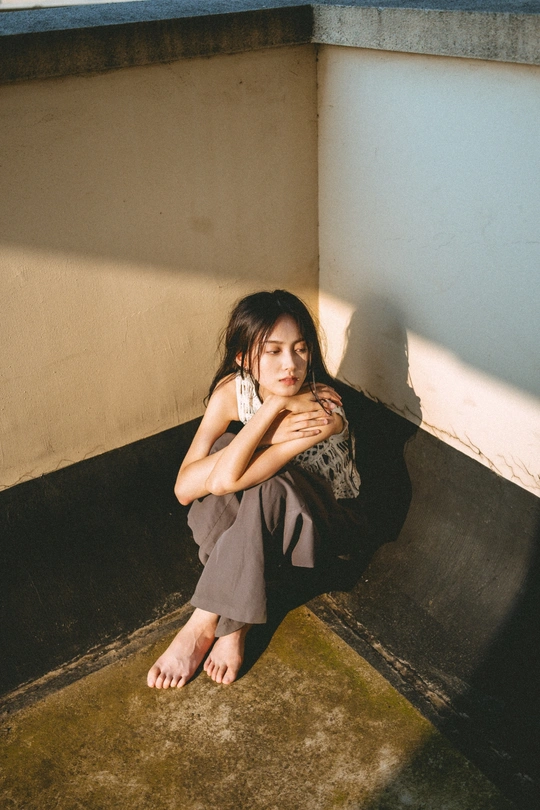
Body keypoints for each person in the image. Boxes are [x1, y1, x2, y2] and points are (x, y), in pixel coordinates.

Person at [147, 290, 360, 689]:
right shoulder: (234, 391)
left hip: (322, 527)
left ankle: (209, 622)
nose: (291, 364)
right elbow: (184, 489)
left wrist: (270, 420)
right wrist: (271, 413)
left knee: (267, 481)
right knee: (229, 448)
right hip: (262, 528)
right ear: (244, 358)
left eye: (300, 349)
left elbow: (223, 482)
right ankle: (235, 614)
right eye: (273, 351)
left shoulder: (324, 409)